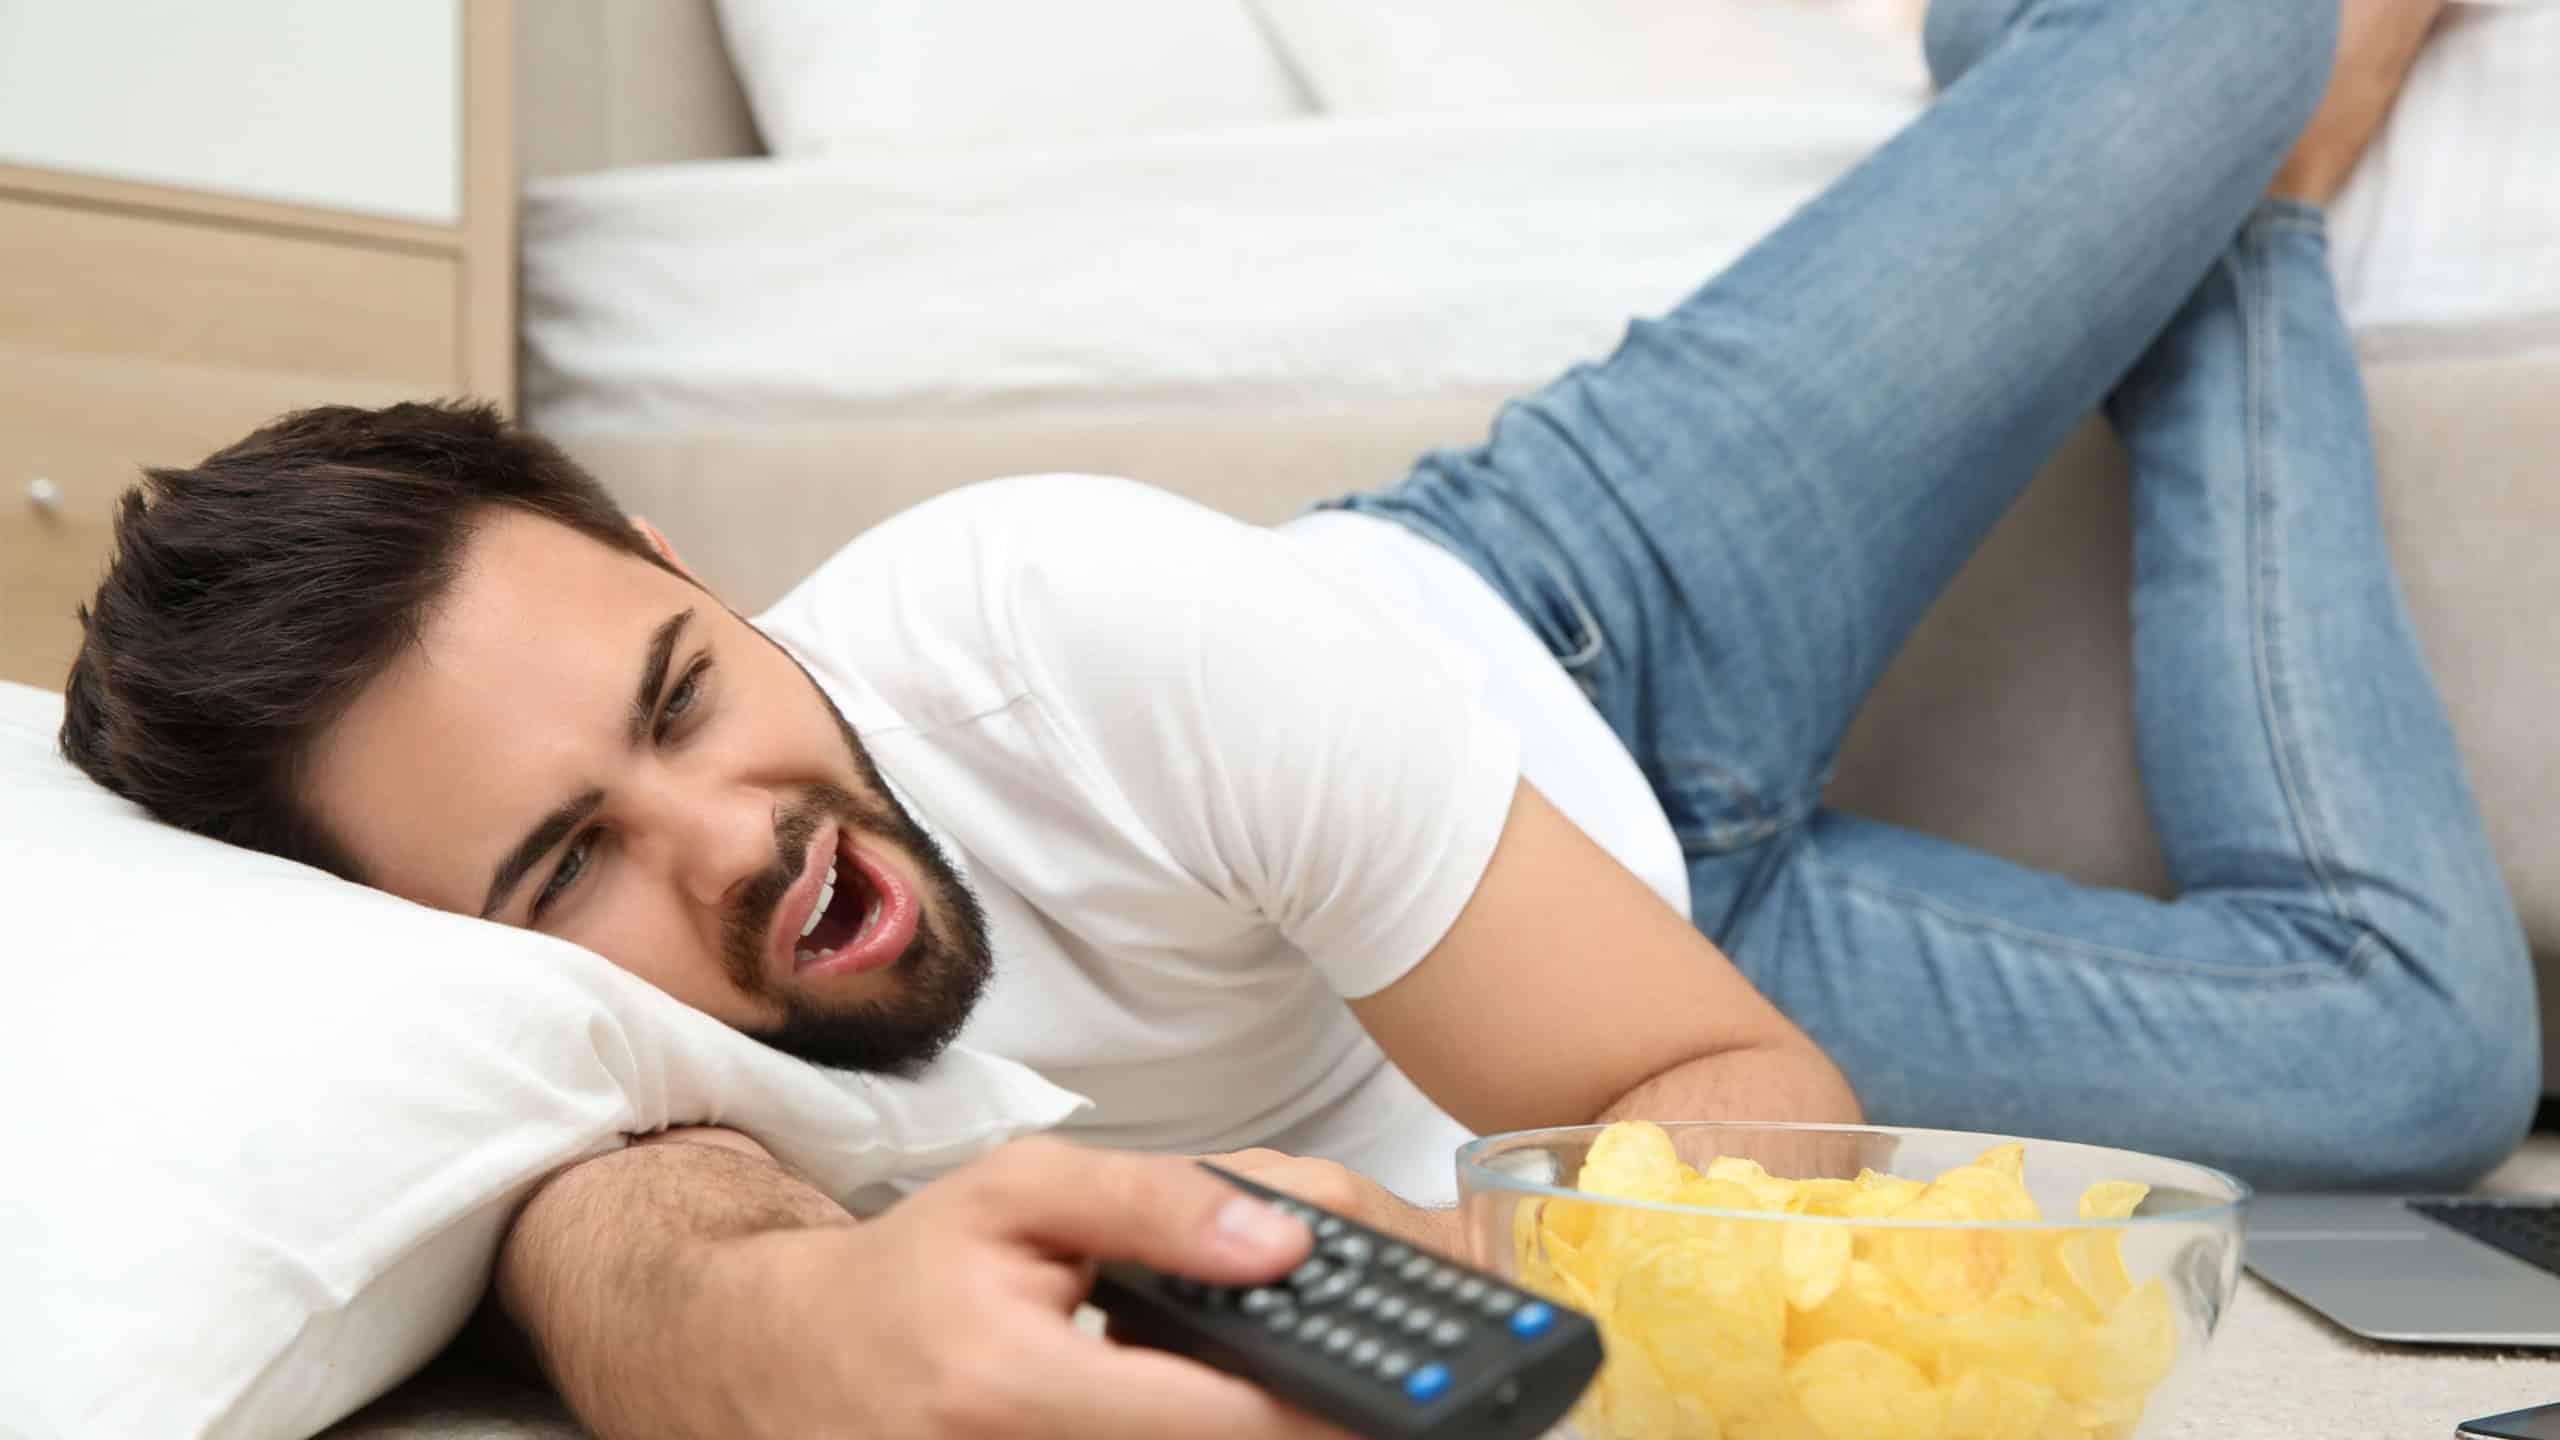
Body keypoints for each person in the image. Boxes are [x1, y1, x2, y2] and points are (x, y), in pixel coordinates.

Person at [58, 0, 2534, 1434]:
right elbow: (630, 1236)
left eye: (685, 691)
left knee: (2197, 25)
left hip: (1561, 596)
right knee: (2419, 1073)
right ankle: (2261, 228)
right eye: (554, 866)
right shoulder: (535, 1048)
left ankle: (2174, 130)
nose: (723, 836)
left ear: (688, 568)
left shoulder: (1067, 619)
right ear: (445, 949)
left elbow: (1723, 1103)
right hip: (1665, 953)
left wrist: (1495, 1256)